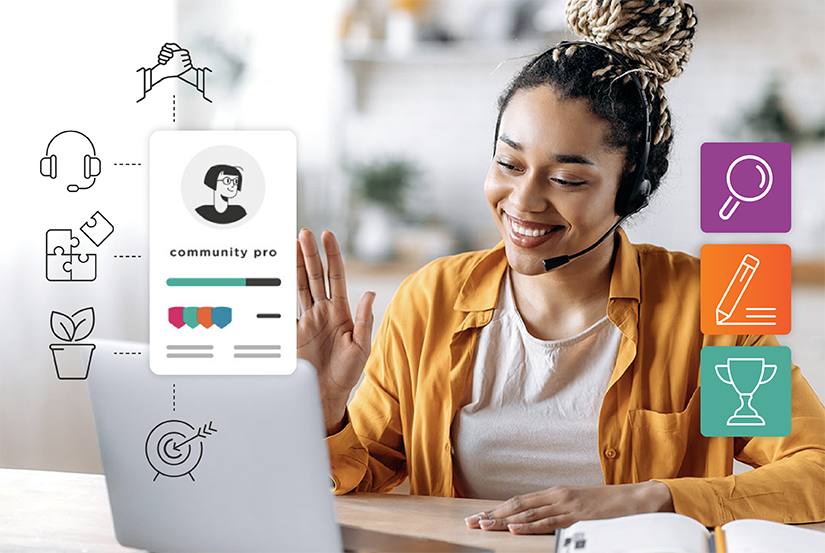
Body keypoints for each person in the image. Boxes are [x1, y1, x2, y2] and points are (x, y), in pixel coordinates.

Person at [296, 0, 825, 536]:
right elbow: (357, 485)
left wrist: (646, 499)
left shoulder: (708, 311)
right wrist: (324, 410)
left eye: (568, 179)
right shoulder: (429, 299)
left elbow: (816, 471)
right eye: (509, 163)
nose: (523, 201)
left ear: (632, 191)